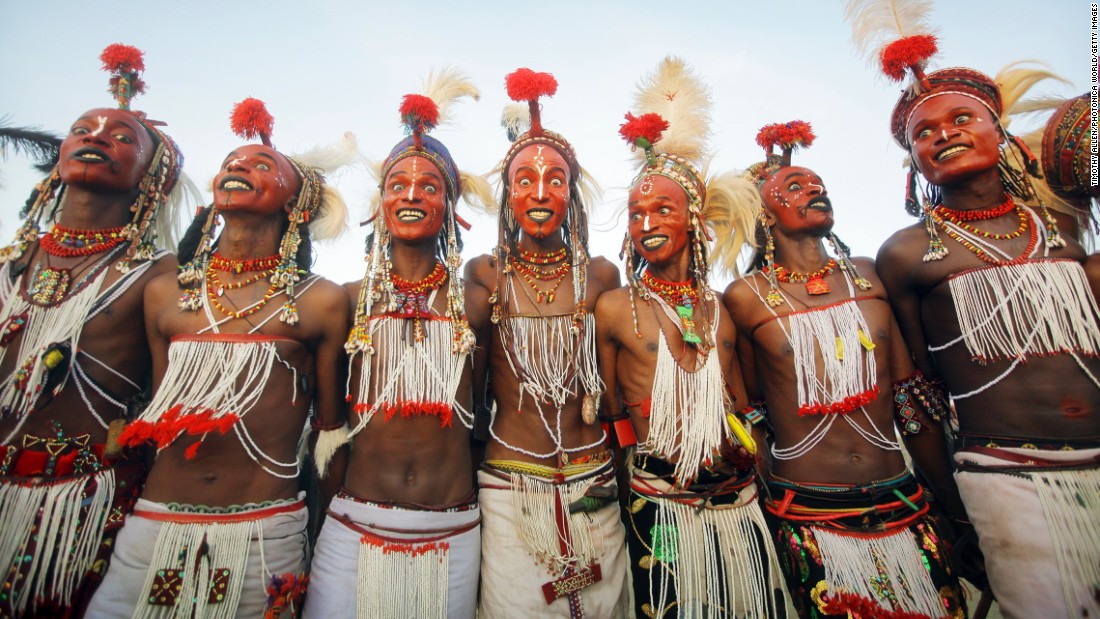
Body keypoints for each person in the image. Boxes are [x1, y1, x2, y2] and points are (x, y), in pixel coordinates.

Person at [847, 4, 1100, 616]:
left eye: (963, 118)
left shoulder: (1065, 225)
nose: (944, 133)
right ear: (915, 162)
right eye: (924, 133)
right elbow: (918, 390)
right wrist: (951, 509)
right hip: (1003, 478)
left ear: (1001, 133)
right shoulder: (906, 255)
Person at [85, 98, 352, 619]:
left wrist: (329, 540)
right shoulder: (164, 294)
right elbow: (159, 409)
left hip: (266, 531)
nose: (237, 168)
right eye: (231, 161)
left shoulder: (322, 301)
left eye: (260, 165)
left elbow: (328, 433)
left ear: (296, 204)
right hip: (153, 521)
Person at [718, 120, 967, 618]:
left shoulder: (870, 274)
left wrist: (953, 509)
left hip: (902, 497)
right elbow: (752, 411)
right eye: (795, 186)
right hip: (805, 509)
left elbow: (905, 396)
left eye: (819, 186)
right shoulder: (745, 298)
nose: (814, 189)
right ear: (764, 216)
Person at [0, 44, 196, 617]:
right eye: (82, 128)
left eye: (122, 136)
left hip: (80, 505)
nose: (97, 136)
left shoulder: (158, 277)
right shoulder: (10, 266)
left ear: (153, 177)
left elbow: (166, 403)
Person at [595, 57, 792, 619]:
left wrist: (748, 451)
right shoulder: (614, 308)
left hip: (742, 502)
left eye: (662, 209)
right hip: (659, 505)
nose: (647, 222)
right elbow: (611, 417)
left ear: (694, 219)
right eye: (635, 213)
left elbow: (743, 403)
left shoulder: (724, 308)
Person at [304, 69, 493, 619]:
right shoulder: (348, 300)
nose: (411, 195)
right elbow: (328, 420)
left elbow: (481, 410)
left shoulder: (475, 304)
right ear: (379, 204)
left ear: (450, 208)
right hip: (352, 524)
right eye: (397, 185)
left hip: (452, 527)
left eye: (429, 187)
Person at [465, 68, 629, 617]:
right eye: (525, 180)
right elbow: (474, 388)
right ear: (507, 194)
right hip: (511, 488)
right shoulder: (485, 275)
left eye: (555, 180)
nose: (539, 192)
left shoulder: (602, 276)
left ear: (571, 194)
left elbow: (619, 388)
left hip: (596, 482)